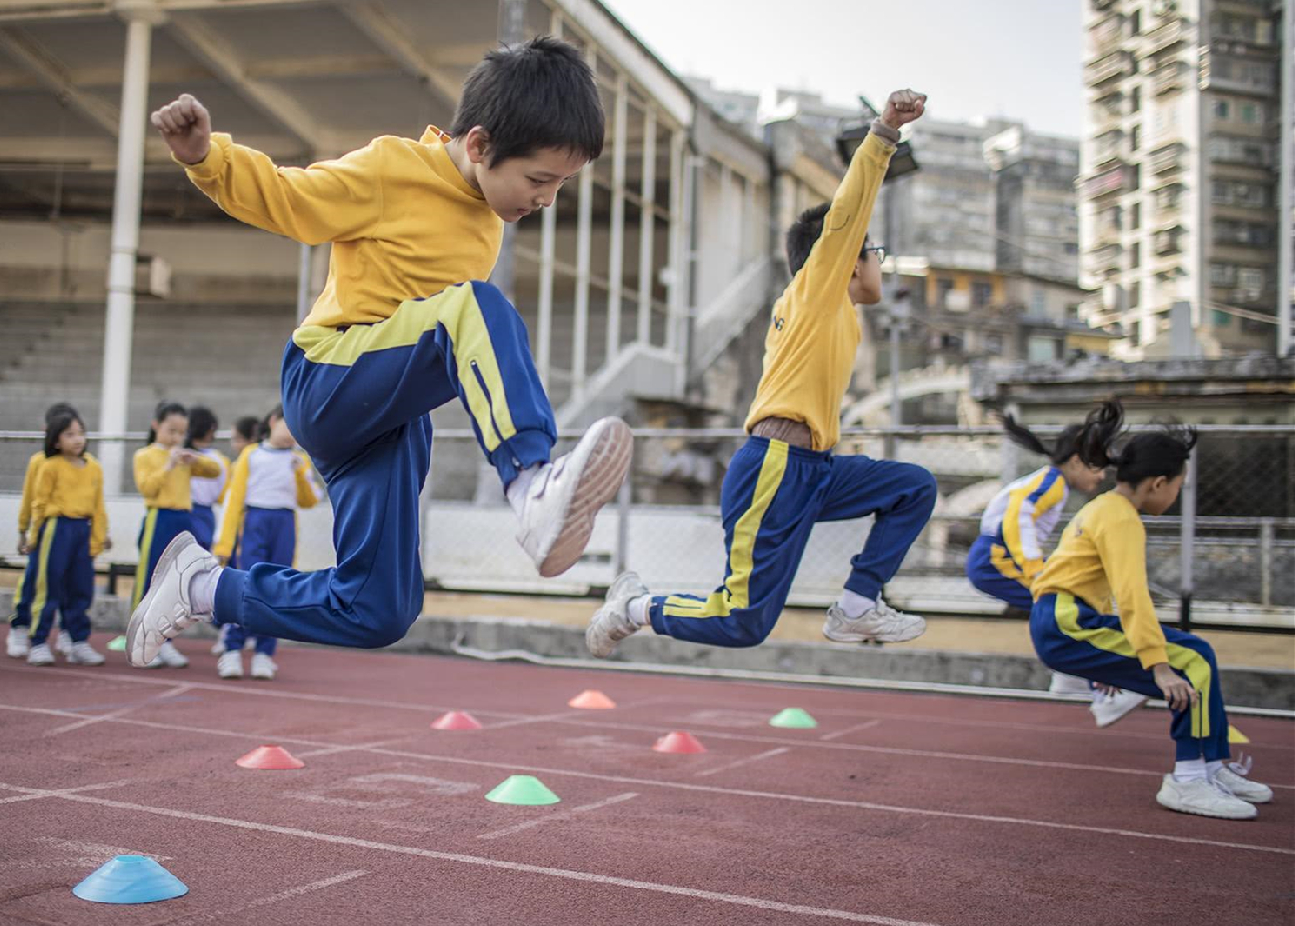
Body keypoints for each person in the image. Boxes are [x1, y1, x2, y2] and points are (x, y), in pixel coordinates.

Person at [126, 37, 631, 664]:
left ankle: (201, 586)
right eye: (539, 179)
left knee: (378, 607)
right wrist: (206, 156)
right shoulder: (393, 169)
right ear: (478, 145)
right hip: (328, 377)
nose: (547, 199)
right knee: (477, 305)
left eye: (562, 184)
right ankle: (529, 481)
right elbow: (293, 199)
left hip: (387, 417)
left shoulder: (488, 216)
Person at [586, 89, 936, 658]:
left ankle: (855, 607)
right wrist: (885, 133)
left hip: (814, 470)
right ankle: (633, 606)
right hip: (775, 467)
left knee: (912, 487)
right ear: (848, 257)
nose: (881, 265)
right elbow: (847, 215)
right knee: (743, 623)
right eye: (876, 252)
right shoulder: (817, 290)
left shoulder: (833, 311)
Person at [1030, 426, 1272, 820]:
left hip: (1067, 619)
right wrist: (1157, 666)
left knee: (1198, 653)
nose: (1177, 495)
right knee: (1188, 662)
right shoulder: (1121, 518)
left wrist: (1112, 652)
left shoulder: (1104, 506)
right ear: (1159, 483)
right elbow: (1133, 596)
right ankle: (1188, 779)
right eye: (1178, 486)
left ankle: (1210, 768)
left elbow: (1095, 583)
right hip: (1068, 622)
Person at [967, 401, 1146, 726]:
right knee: (1071, 611)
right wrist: (1036, 570)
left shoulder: (1053, 484)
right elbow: (1017, 516)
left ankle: (1069, 678)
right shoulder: (1051, 483)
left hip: (996, 558)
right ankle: (1100, 689)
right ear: (1077, 462)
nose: (1103, 474)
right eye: (1098, 466)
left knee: (1056, 612)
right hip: (996, 559)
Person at [212, 405, 319, 680]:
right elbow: (233, 501)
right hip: (254, 522)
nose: (293, 433)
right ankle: (232, 649)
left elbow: (309, 500)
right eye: (289, 424)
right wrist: (223, 545)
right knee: (246, 583)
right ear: (273, 421)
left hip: (284, 523)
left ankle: (264, 653)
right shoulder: (251, 455)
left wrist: (300, 474)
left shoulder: (299, 459)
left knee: (277, 586)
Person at [131, 400, 222, 668]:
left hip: (184, 519)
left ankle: (164, 643)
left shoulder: (185, 457)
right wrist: (168, 466)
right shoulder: (145, 455)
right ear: (156, 425)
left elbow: (214, 470)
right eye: (171, 430)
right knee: (150, 581)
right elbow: (147, 488)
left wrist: (195, 459)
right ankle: (141, 644)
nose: (176, 438)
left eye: (181, 432)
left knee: (174, 584)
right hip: (159, 517)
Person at [22, 411, 108, 666]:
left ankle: (78, 641)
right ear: (56, 440)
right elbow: (40, 503)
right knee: (49, 586)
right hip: (56, 528)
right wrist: (34, 535)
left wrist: (98, 538)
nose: (77, 439)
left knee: (81, 588)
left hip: (83, 529)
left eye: (80, 432)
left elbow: (99, 506)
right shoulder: (50, 466)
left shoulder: (93, 467)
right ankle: (38, 642)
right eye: (70, 434)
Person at [6, 401, 79, 658]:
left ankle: (67, 632)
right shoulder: (39, 462)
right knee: (33, 582)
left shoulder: (83, 465)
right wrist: (23, 530)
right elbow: (30, 498)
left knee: (69, 585)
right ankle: (19, 626)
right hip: (45, 531)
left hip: (70, 535)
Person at [185, 406, 229, 550]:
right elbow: (222, 493)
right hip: (205, 512)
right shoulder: (219, 459)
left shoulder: (179, 455)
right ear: (211, 429)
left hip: (190, 511)